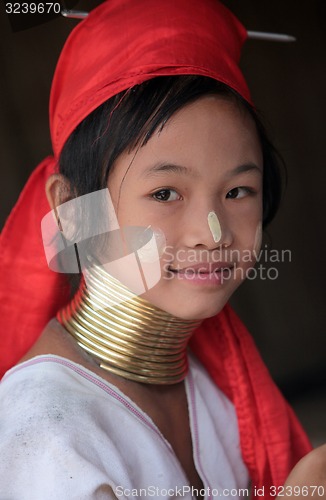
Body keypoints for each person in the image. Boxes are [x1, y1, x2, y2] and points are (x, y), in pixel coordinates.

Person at [0, 0, 314, 498]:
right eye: (165, 193)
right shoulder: (46, 432)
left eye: (237, 192)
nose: (212, 235)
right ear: (72, 208)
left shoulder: (213, 385)